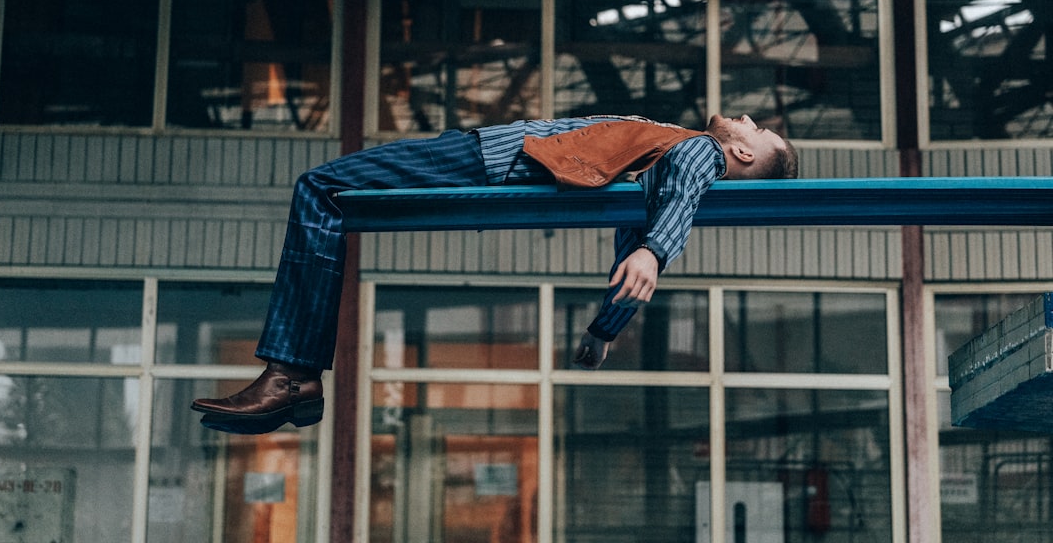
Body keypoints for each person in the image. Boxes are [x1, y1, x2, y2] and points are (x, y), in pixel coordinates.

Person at [192, 113, 798, 434]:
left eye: (756, 129)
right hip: (506, 158)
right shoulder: (664, 160)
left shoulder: (694, 148)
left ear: (740, 155)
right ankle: (294, 379)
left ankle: (291, 376)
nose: (745, 117)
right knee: (328, 195)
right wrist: (605, 330)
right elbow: (639, 227)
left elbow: (681, 191)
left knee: (321, 188)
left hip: (495, 156)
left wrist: (654, 254)